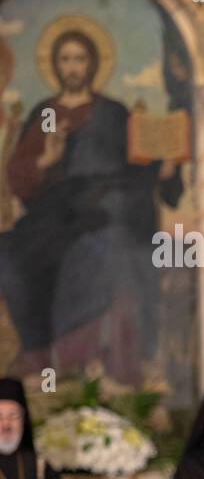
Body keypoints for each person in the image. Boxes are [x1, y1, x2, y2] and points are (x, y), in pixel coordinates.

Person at [0, 27, 182, 382]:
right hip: (57, 211)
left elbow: (138, 165)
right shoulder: (48, 112)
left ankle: (96, 360)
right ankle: (37, 351)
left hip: (111, 204)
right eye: (66, 59)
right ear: (54, 65)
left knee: (105, 249)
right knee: (8, 253)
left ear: (93, 64)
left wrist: (164, 170)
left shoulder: (113, 112)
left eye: (79, 59)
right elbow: (22, 178)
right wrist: (45, 160)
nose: (72, 67)